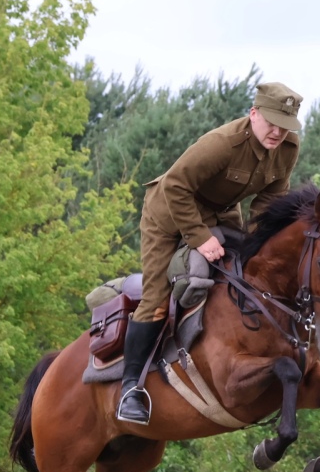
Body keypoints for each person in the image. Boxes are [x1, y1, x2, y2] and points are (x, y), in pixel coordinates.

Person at [116, 82, 304, 424]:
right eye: (272, 122)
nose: (278, 132)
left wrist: (256, 243)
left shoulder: (288, 147)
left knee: (244, 275)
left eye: (285, 125)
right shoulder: (222, 143)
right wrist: (200, 238)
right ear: (253, 114)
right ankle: (130, 390)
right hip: (168, 214)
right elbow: (175, 186)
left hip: (221, 212)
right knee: (157, 296)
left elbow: (269, 200)